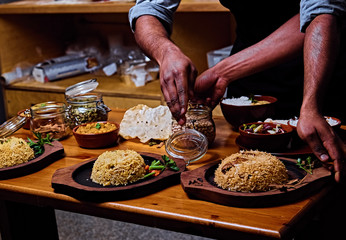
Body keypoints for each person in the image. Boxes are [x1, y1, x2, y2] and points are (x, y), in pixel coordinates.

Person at [128, 0, 346, 182]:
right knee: (248, 178)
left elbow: (322, 13)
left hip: (319, 72)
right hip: (248, 77)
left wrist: (310, 104)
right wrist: (165, 51)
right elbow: (148, 9)